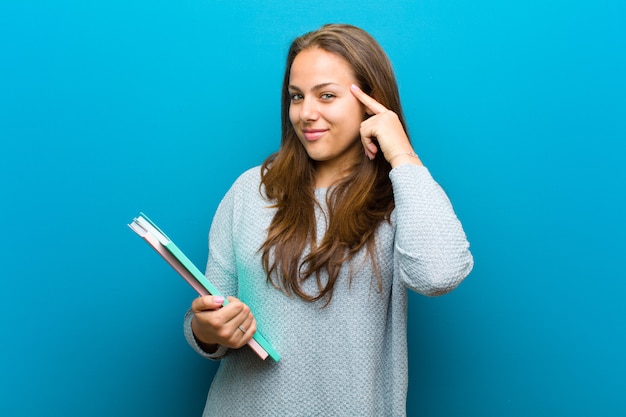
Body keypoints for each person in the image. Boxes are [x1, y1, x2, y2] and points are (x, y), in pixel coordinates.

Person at [184, 23, 473, 416]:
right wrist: (206, 330)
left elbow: (439, 274)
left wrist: (401, 152)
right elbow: (210, 310)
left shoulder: (399, 196)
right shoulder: (251, 191)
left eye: (327, 96)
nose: (306, 113)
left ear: (370, 103)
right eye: (296, 96)